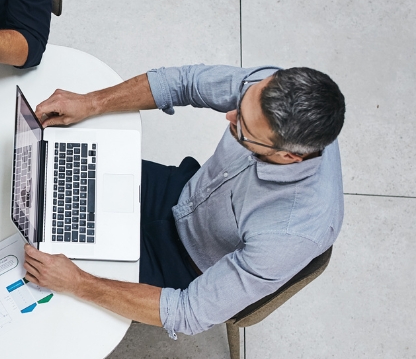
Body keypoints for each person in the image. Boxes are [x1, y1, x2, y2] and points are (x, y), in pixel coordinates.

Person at [24, 65, 346, 338]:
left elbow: (189, 311)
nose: (230, 115)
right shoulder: (271, 91)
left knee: (39, 281)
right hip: (182, 191)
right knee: (48, 179)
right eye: (242, 102)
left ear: (288, 155)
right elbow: (183, 82)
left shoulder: (291, 233)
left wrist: (81, 283)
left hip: (184, 266)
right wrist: (91, 102)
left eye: (243, 129)